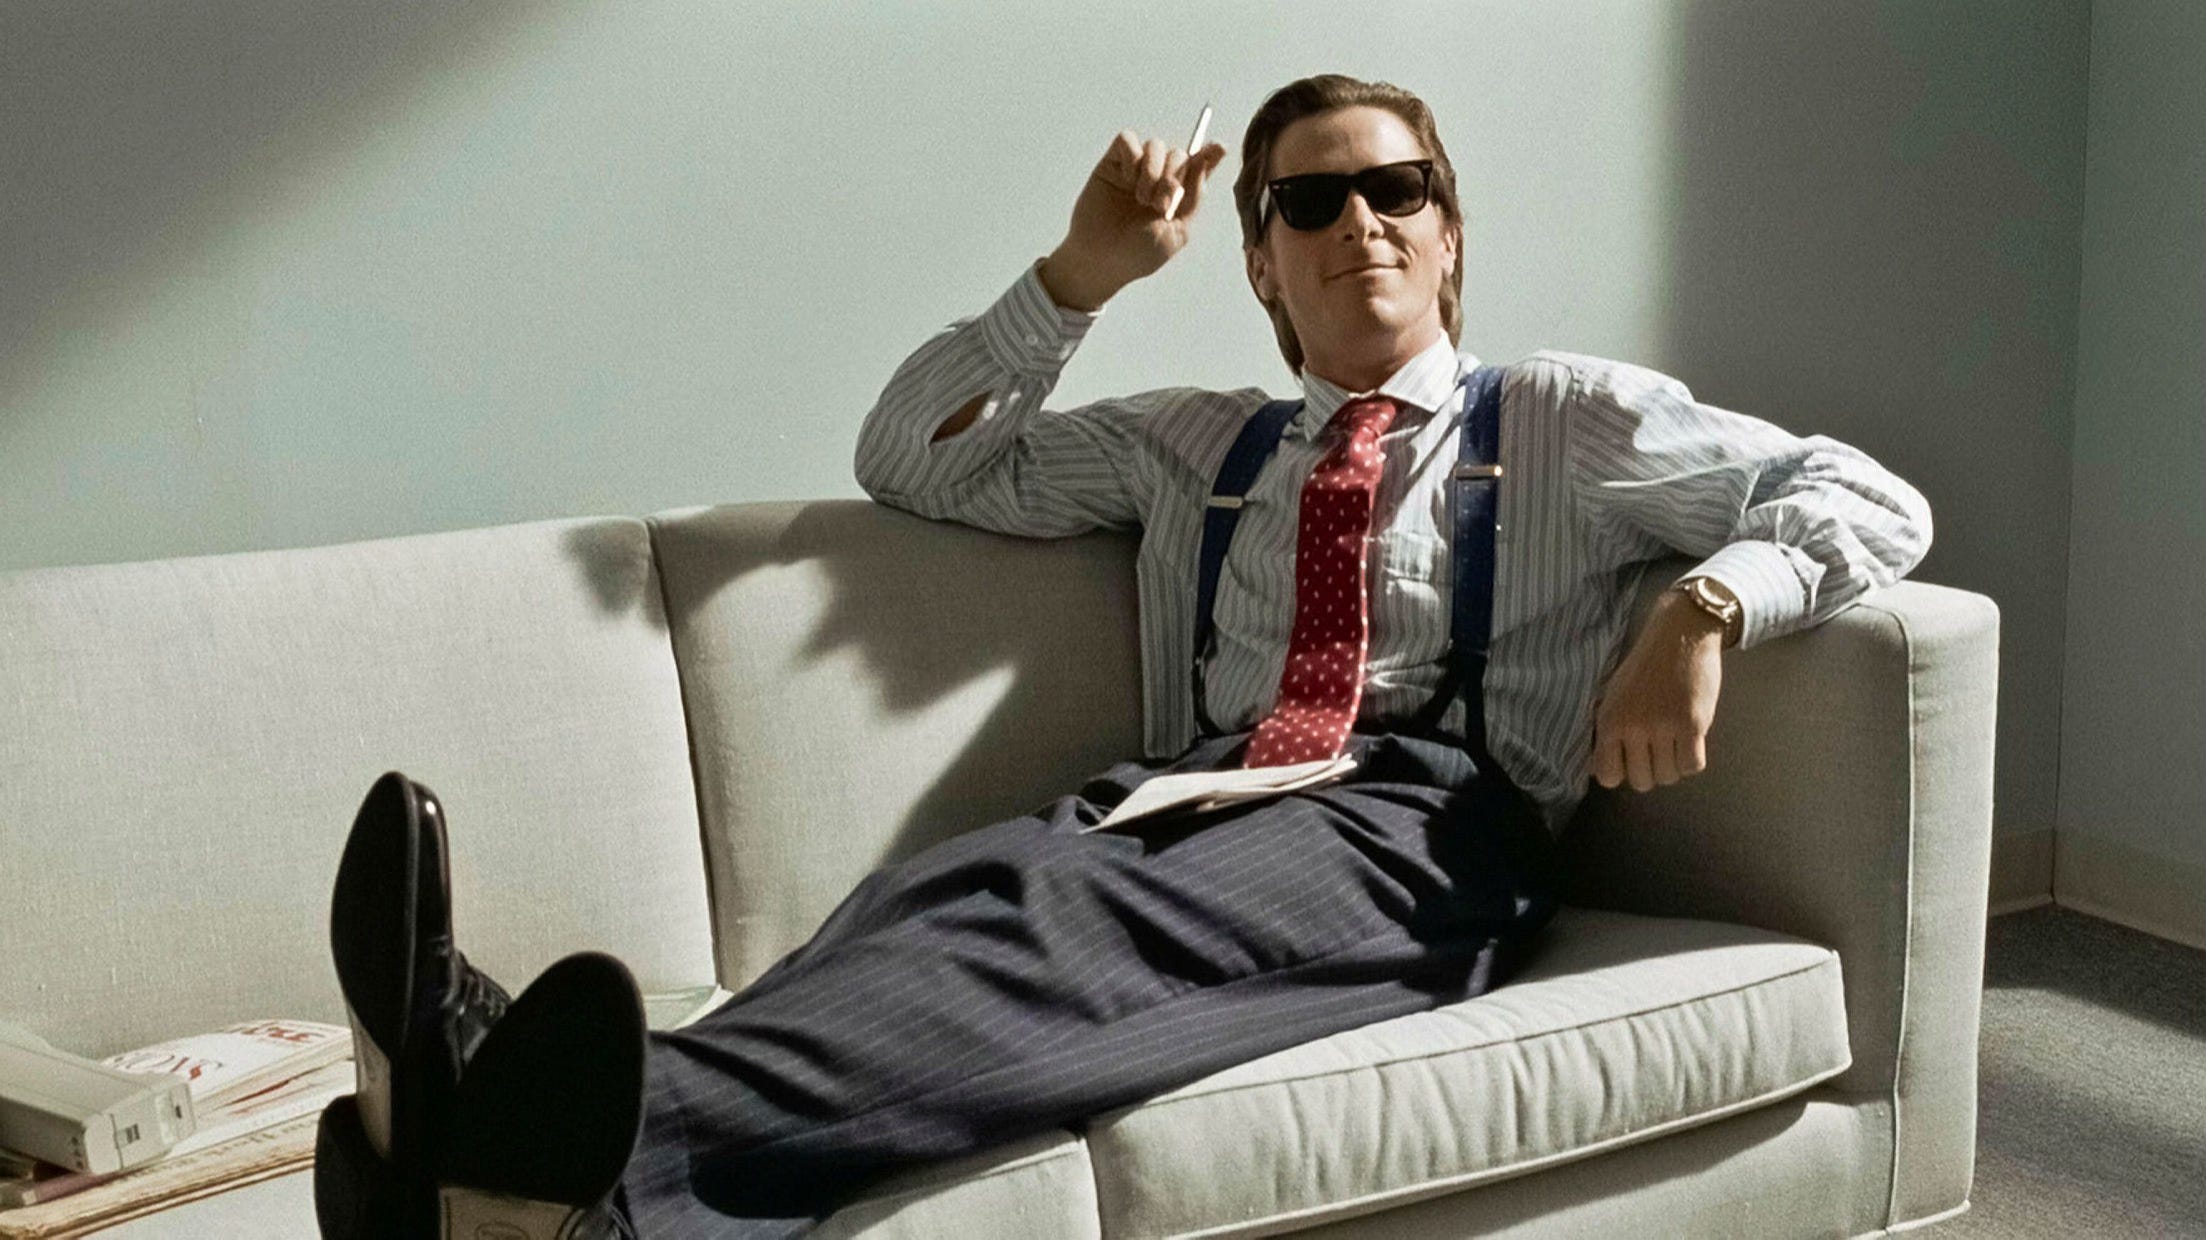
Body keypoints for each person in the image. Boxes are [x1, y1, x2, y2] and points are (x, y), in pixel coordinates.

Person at [311, 73, 1934, 1239]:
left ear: (1447, 235)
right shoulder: (1199, 447)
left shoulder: (1565, 420)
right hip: (1173, 799)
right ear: (1261, 261)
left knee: (1039, 942)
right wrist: (1075, 279)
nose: (1360, 222)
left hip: (1417, 828)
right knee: (931, 911)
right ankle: (517, 1177)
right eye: (1309, 201)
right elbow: (914, 462)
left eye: (1397, 190)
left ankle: (532, 1139)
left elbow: (1864, 496)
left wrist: (1704, 610)